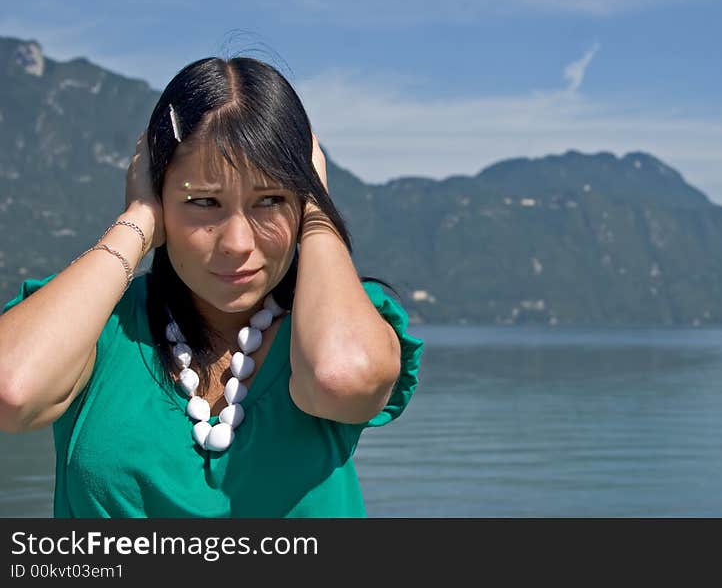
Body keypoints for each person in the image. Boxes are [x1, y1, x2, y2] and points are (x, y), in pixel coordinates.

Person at [0, 56, 425, 517]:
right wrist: (136, 219)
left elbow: (342, 378)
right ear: (160, 197)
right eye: (203, 201)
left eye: (271, 200)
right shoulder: (96, 326)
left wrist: (318, 214)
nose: (237, 244)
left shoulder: (336, 326)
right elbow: (12, 392)